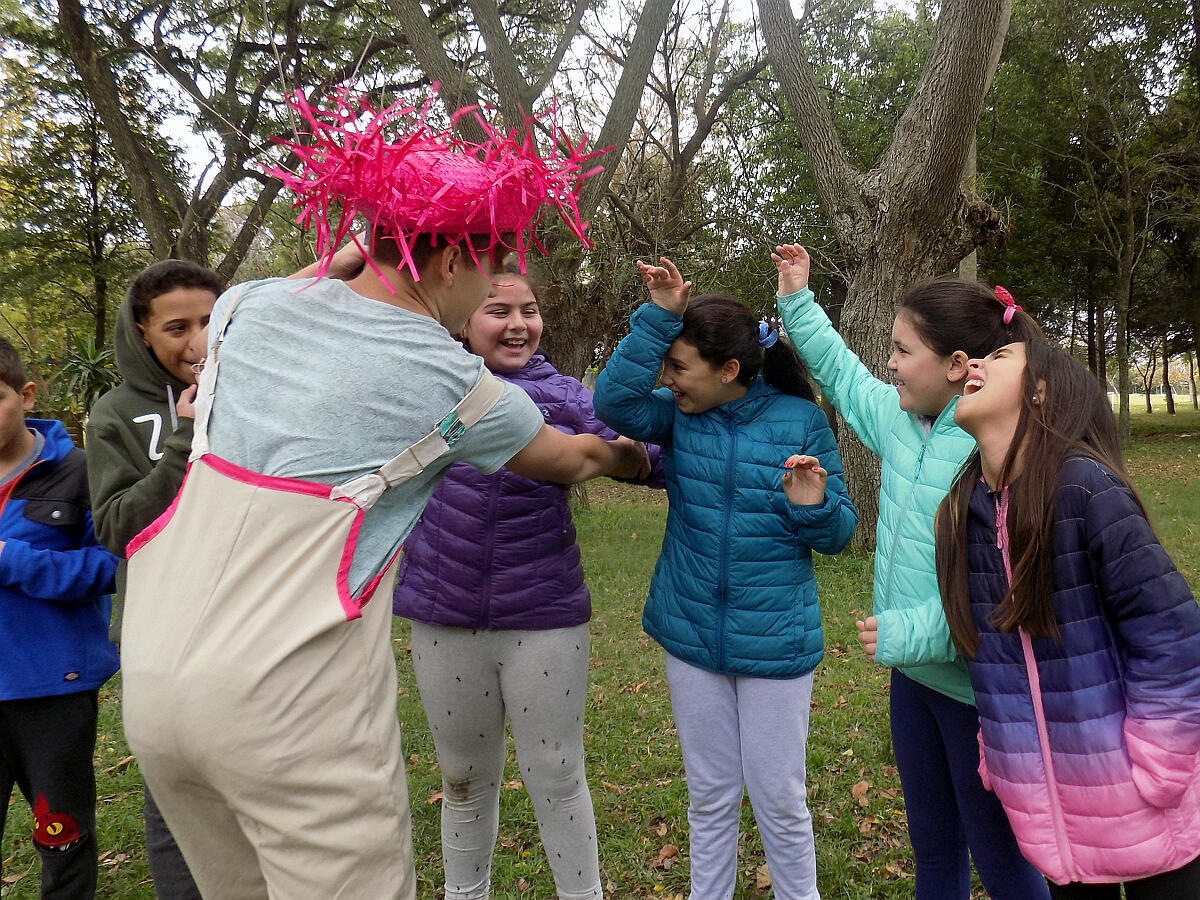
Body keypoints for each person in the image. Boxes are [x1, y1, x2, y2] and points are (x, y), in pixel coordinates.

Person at [115, 90, 650, 900]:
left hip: (155, 683)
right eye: (490, 265)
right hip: (286, 705)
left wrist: (364, 243)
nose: (493, 286)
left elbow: (314, 279)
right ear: (451, 262)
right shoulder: (456, 382)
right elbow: (569, 460)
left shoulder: (243, 310)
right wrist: (630, 459)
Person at [772, 243, 1049, 899]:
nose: (890, 363)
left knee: (1002, 861)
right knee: (933, 845)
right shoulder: (899, 422)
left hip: (981, 695)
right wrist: (796, 299)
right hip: (913, 686)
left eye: (902, 350)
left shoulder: (996, 446)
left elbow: (1005, 592)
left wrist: (910, 633)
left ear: (957, 366)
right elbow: (841, 374)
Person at [393, 258, 661, 900]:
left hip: (544, 614)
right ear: (464, 317)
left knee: (559, 774)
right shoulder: (425, 386)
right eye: (498, 310)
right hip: (442, 612)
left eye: (529, 311)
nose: (517, 324)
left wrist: (631, 457)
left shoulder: (567, 397)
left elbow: (646, 456)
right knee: (462, 779)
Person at [593, 256, 858, 900]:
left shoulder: (800, 421)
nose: (668, 379)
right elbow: (614, 401)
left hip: (775, 645)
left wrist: (811, 506)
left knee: (779, 800)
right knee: (709, 796)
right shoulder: (678, 415)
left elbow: (840, 533)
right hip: (691, 635)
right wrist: (659, 319)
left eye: (679, 367)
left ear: (729, 370)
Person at [935, 340, 1200, 899]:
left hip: (1150, 810)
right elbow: (990, 660)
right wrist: (1002, 757)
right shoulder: (965, 511)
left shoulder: (1086, 488)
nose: (974, 363)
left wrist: (1160, 766)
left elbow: (1173, 641)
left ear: (1040, 391)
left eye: (999, 357)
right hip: (1057, 827)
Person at [86, 259, 221, 900]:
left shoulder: (260, 390)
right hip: (164, 639)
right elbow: (116, 526)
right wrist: (185, 440)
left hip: (255, 624)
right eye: (176, 327)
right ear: (142, 332)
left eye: (210, 322)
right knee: (178, 805)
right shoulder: (114, 413)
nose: (196, 341)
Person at [0, 337, 119, 899]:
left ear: (25, 395)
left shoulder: (80, 473)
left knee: (62, 833)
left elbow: (110, 567)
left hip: (53, 689)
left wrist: (13, 560)